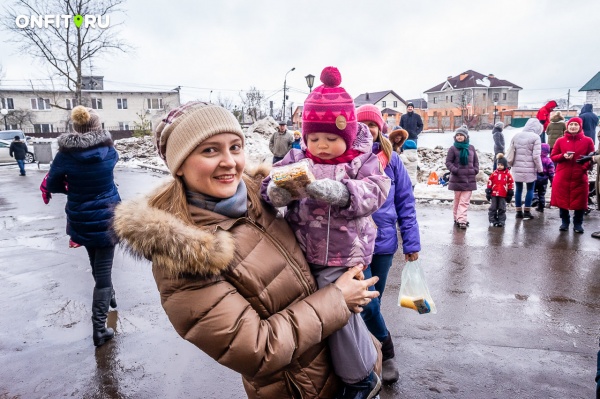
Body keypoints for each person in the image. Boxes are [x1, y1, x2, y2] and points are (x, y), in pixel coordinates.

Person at [113, 101, 381, 399]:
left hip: (345, 368)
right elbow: (258, 349)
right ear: (180, 164)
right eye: (210, 150)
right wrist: (338, 299)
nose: (229, 162)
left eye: (236, 147)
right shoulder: (185, 253)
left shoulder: (263, 199)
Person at [262, 67, 390, 398]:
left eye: (331, 139)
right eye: (314, 138)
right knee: (313, 311)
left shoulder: (361, 160)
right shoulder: (296, 156)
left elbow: (377, 191)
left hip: (345, 254)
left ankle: (360, 378)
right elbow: (270, 181)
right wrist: (279, 191)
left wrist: (341, 192)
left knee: (334, 305)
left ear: (346, 135)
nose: (321, 146)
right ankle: (329, 372)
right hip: (301, 249)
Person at [46, 106, 121, 347]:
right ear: (97, 127)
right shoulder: (109, 152)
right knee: (103, 275)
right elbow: (111, 165)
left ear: (76, 128)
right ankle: (99, 330)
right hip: (108, 215)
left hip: (80, 215)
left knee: (96, 263)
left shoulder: (64, 155)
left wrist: (72, 186)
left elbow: (55, 183)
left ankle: (109, 297)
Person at [356, 104, 421, 384]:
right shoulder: (348, 157)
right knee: (366, 303)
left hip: (383, 243)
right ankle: (387, 349)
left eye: (372, 125)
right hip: (353, 243)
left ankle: (366, 347)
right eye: (362, 125)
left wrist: (411, 242)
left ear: (380, 127)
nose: (367, 130)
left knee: (374, 302)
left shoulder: (392, 160)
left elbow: (405, 202)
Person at [550, 117, 595, 233]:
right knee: (562, 201)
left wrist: (583, 168)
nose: (573, 126)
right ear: (567, 126)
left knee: (580, 202)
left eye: (576, 124)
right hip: (562, 175)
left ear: (580, 126)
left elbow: (591, 158)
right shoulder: (560, 140)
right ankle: (565, 222)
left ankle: (578, 223)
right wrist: (563, 156)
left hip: (579, 176)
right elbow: (553, 156)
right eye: (571, 124)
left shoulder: (588, 141)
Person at [506, 118, 543, 220]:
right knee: (530, 189)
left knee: (518, 189)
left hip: (517, 168)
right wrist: (540, 169)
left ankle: (518, 212)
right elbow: (536, 156)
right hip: (530, 168)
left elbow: (511, 151)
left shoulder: (516, 136)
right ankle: (527, 211)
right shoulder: (536, 137)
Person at [445, 126, 479, 229]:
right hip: (457, 179)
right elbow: (448, 162)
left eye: (461, 135)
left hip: (469, 179)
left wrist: (475, 170)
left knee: (464, 202)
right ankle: (457, 218)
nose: (459, 137)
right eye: (457, 135)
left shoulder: (471, 148)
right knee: (457, 200)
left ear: (466, 137)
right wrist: (455, 170)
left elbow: (476, 161)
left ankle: (462, 220)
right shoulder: (453, 148)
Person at [486, 154, 514, 227]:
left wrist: (510, 192)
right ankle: (493, 220)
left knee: (502, 208)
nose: (499, 166)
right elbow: (490, 182)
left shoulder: (508, 175)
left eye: (501, 165)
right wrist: (488, 190)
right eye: (498, 164)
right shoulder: (494, 174)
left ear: (505, 165)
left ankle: (501, 221)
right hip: (494, 194)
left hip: (503, 194)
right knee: (493, 207)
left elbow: (510, 183)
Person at [534, 143, 555, 213]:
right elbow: (551, 172)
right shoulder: (549, 160)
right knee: (542, 193)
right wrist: (552, 182)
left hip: (535, 178)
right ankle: (541, 207)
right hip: (544, 180)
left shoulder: (536, 159)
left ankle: (535, 199)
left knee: (533, 190)